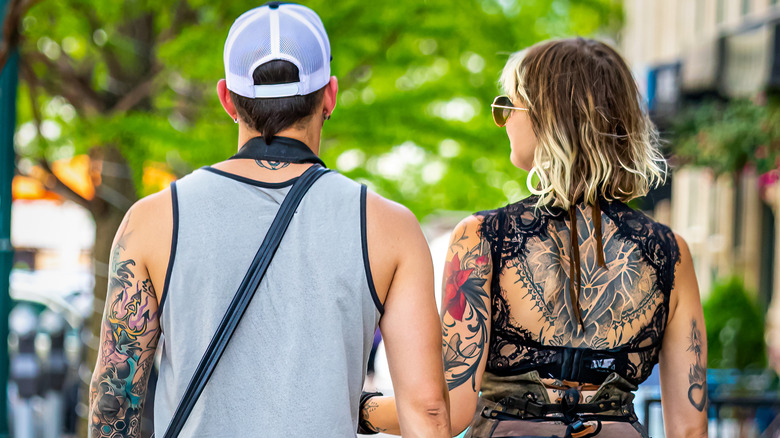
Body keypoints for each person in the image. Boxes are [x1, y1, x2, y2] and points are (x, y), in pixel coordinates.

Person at [87, 3, 450, 437]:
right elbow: (427, 410)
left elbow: (114, 402)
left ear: (227, 99)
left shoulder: (151, 220)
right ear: (330, 95)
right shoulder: (390, 226)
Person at [360, 38, 708, 438]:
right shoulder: (669, 253)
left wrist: (363, 409)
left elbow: (445, 412)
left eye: (507, 105)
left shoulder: (482, 239)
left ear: (548, 118)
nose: (503, 119)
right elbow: (690, 428)